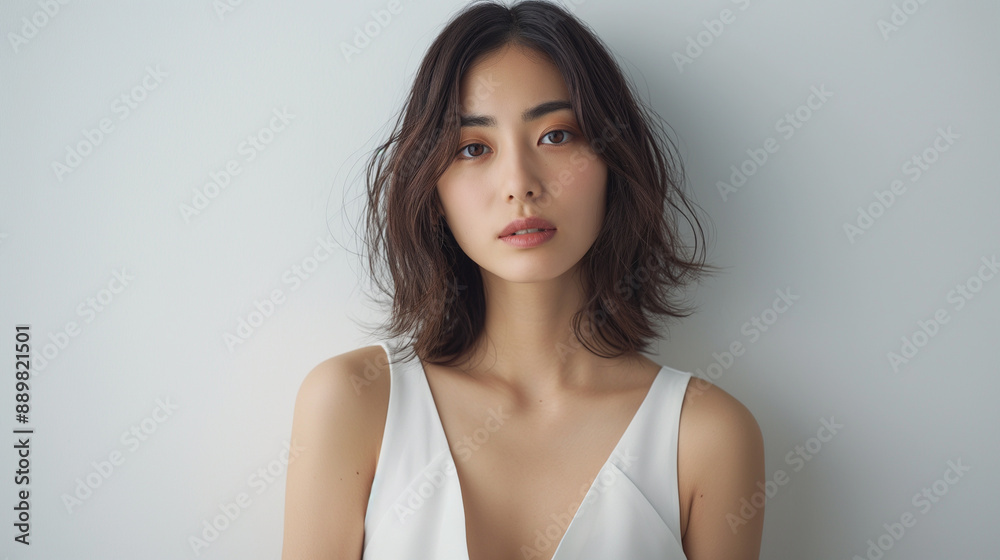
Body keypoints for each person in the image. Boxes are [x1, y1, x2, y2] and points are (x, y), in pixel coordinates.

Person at [282, 1, 765, 558]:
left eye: (556, 136)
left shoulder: (707, 436)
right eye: (473, 148)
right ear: (432, 191)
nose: (519, 183)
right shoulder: (353, 403)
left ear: (612, 162)